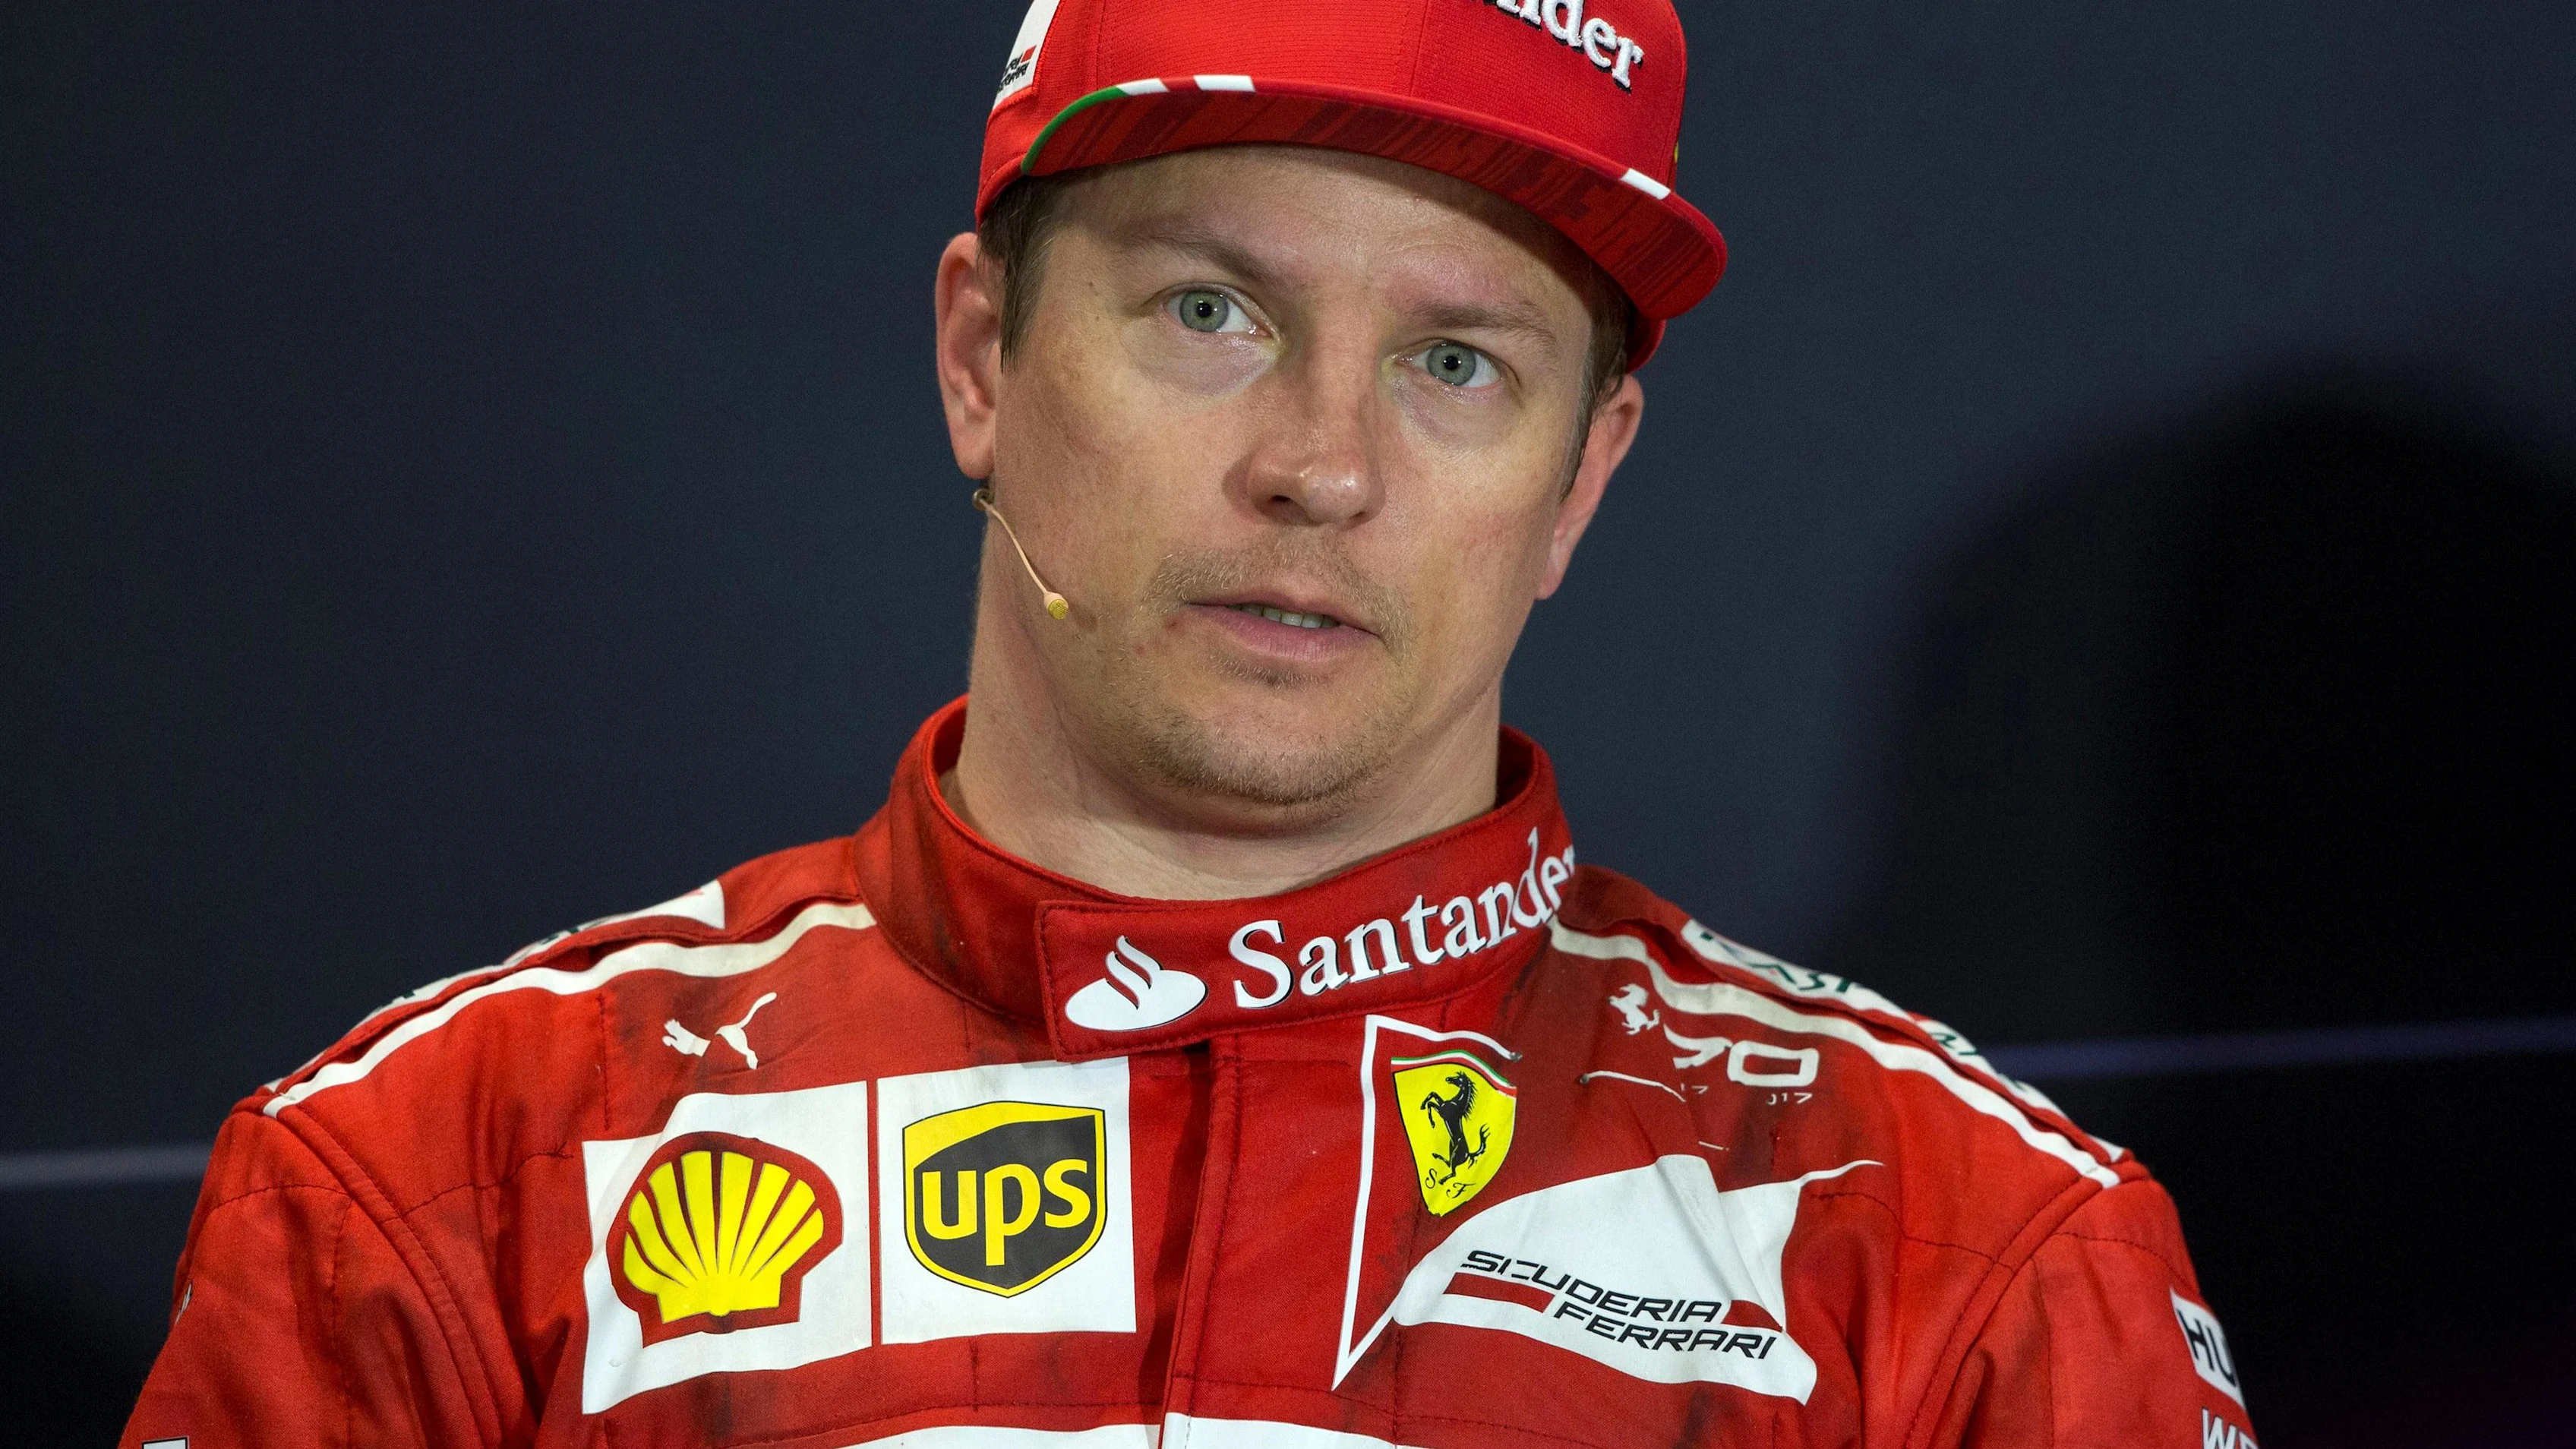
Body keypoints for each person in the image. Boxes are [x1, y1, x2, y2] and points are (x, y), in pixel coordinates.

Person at [122, 2, 2256, 1446]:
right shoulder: (438, 1183)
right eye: (1212, 312)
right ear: (983, 357)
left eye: (1456, 364)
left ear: (1583, 479)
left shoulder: (1963, 1251)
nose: (1321, 466)